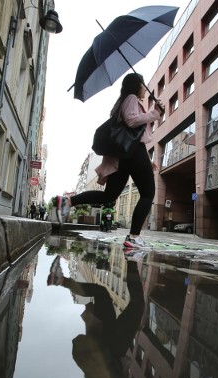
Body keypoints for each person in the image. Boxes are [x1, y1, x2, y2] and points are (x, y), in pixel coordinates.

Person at [56, 73, 164, 248]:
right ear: (137, 85)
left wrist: (146, 160)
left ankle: (68, 202)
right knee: (147, 193)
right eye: (143, 84)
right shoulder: (131, 98)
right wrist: (154, 114)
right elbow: (131, 122)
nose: (145, 88)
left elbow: (133, 133)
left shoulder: (122, 101)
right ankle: (134, 236)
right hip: (133, 152)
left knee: (109, 195)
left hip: (126, 155)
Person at [47, 254, 145, 378]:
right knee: (101, 293)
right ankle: (60, 281)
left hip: (110, 341)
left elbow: (110, 372)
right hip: (104, 334)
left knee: (138, 304)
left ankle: (131, 260)